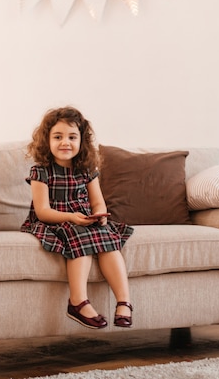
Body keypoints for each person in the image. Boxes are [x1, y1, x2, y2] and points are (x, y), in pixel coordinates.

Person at [21, 106, 134, 329]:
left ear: (82, 141)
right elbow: (43, 211)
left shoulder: (86, 169)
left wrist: (100, 215)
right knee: (79, 237)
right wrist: (71, 217)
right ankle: (78, 301)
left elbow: (98, 201)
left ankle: (124, 301)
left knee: (109, 240)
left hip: (83, 218)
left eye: (72, 137)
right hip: (54, 219)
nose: (65, 142)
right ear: (47, 140)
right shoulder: (41, 171)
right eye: (58, 137)